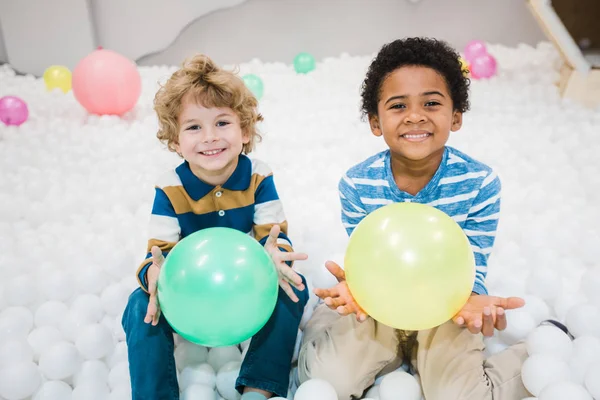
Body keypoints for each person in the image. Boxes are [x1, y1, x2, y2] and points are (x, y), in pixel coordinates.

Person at [297, 37, 552, 400]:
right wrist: (355, 288)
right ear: (375, 121)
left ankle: (537, 347)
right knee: (328, 382)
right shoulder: (358, 184)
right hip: (380, 302)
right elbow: (369, 258)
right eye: (398, 105)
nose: (415, 116)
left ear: (456, 116)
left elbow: (473, 261)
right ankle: (334, 330)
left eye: (431, 103)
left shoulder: (479, 183)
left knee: (457, 395)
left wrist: (473, 297)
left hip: (448, 305)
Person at [122, 54, 309, 400]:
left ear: (245, 131)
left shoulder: (258, 175)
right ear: (176, 142)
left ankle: (259, 385)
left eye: (222, 123)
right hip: (191, 286)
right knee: (138, 304)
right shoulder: (169, 188)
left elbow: (275, 237)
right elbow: (157, 253)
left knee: (294, 287)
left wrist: (275, 254)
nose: (210, 137)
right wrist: (153, 274)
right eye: (194, 127)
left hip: (245, 281)